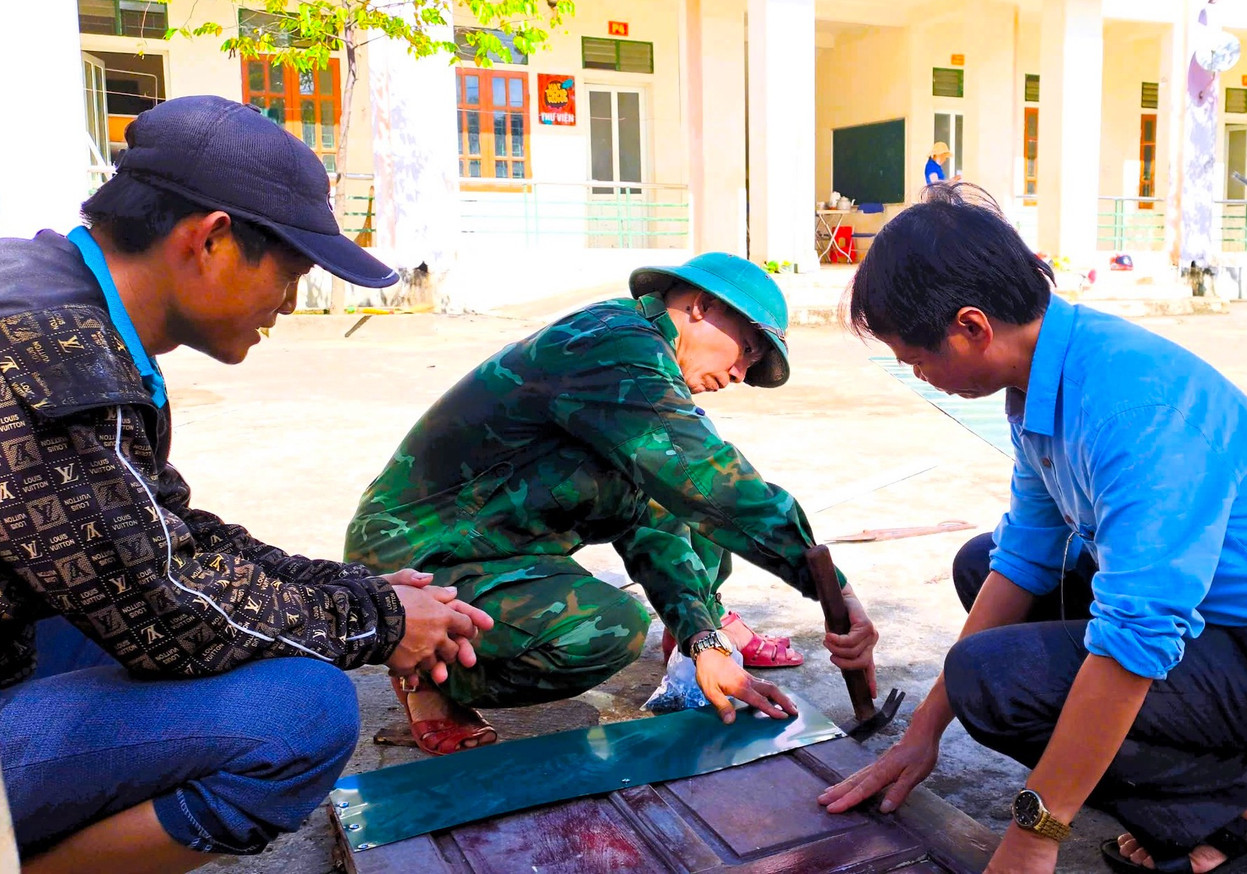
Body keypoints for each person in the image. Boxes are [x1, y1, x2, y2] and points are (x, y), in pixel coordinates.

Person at [0, 96, 493, 874]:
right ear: (212, 240)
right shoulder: (54, 352)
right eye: (290, 271)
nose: (289, 303)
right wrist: (378, 623)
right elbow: (166, 601)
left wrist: (357, 590)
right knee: (302, 713)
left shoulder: (49, 295)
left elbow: (163, 536)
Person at [819, 183, 1247, 874]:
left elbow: (1137, 634)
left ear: (972, 326)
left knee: (991, 680)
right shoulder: (1040, 386)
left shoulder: (1135, 406)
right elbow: (1023, 556)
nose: (920, 376)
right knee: (981, 564)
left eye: (917, 359)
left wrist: (1034, 834)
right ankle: (1188, 799)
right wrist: (921, 734)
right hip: (1213, 626)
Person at [345, 252, 880, 754]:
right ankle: (425, 670)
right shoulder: (615, 348)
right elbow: (712, 481)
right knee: (604, 629)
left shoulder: (639, 366)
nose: (742, 374)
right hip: (420, 560)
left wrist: (704, 641)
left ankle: (704, 630)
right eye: (749, 351)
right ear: (702, 307)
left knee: (702, 534)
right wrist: (834, 588)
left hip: (505, 549)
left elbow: (658, 519)